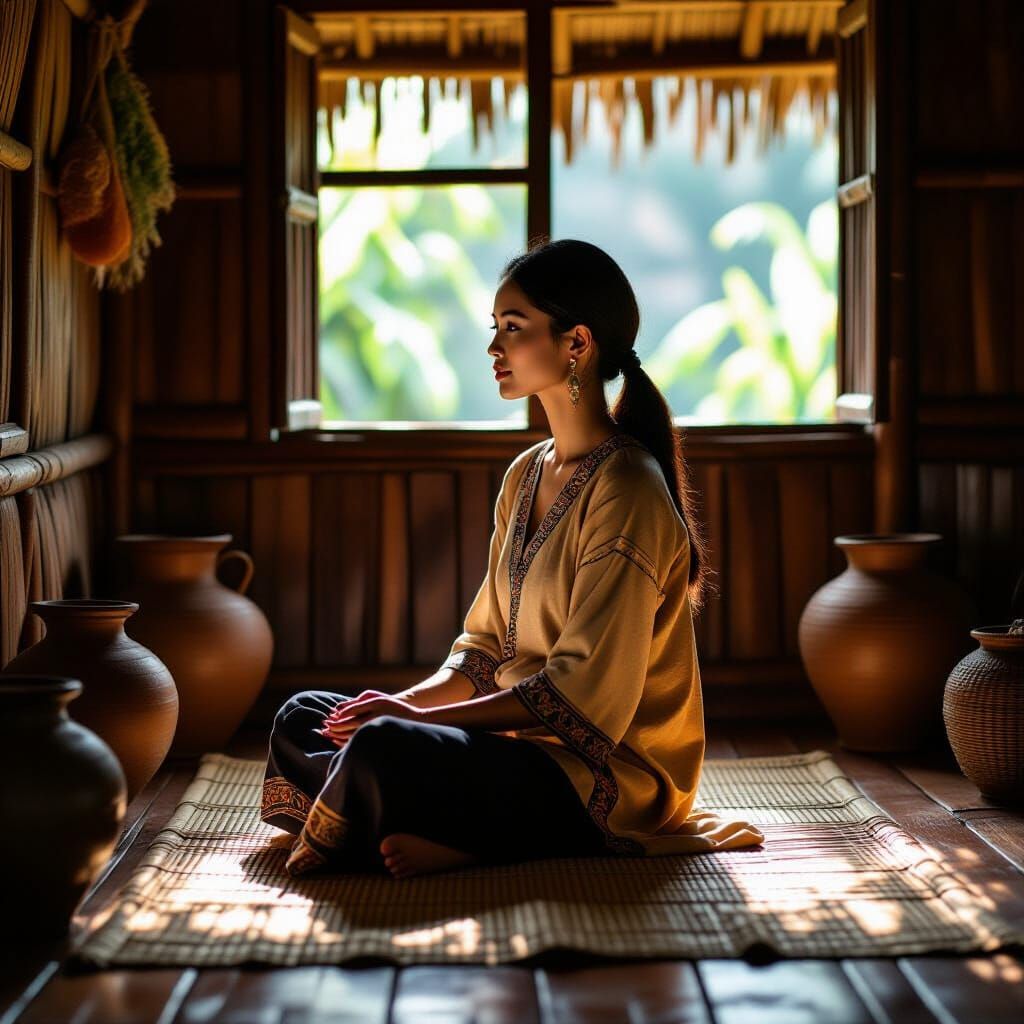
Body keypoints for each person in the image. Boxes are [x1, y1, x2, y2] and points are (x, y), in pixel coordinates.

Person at [261, 238, 765, 879]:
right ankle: (408, 821)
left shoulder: (630, 487)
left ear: (576, 343)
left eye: (513, 329)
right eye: (494, 329)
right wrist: (397, 703)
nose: (494, 349)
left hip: (598, 776)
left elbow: (582, 700)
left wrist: (409, 721)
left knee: (385, 745)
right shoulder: (526, 474)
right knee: (305, 716)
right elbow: (482, 651)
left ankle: (435, 832)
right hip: (508, 751)